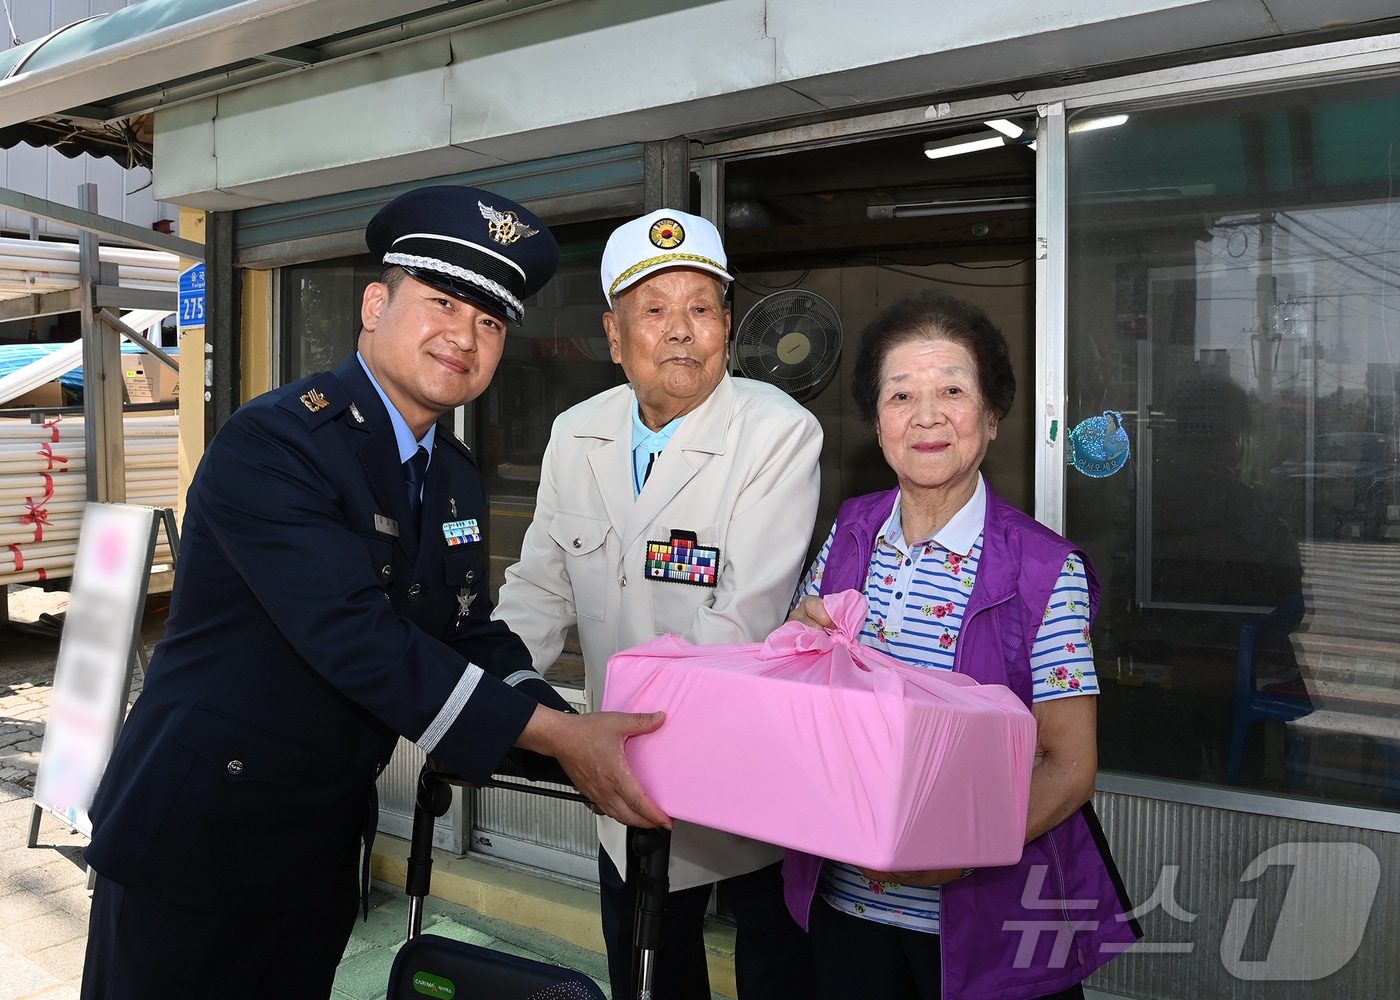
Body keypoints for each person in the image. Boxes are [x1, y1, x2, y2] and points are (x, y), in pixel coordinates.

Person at [80, 185, 670, 1000]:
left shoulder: (452, 474)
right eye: (444, 302)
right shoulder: (277, 441)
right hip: (195, 842)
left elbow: (463, 632)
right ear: (373, 305)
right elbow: (356, 638)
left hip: (316, 847)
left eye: (491, 322)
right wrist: (556, 740)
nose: (465, 336)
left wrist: (566, 727)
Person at [493, 208, 822, 999]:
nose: (682, 331)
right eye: (655, 310)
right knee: (648, 977)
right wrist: (497, 700)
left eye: (701, 309)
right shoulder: (578, 433)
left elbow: (741, 619)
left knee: (776, 975)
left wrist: (605, 738)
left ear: (728, 326)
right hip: (623, 793)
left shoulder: (779, 433)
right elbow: (538, 588)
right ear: (614, 335)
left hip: (745, 781)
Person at [782, 290, 1139, 1000]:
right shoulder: (850, 531)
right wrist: (797, 646)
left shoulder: (1044, 570)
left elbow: (1069, 766)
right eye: (901, 395)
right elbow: (808, 687)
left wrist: (964, 849)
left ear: (993, 415)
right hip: (848, 909)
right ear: (877, 422)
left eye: (952, 390)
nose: (926, 416)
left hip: (992, 926)